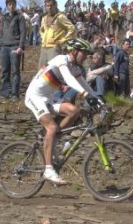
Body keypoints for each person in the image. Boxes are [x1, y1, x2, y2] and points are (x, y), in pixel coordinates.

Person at [25, 38, 98, 184]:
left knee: (74, 111)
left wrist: (100, 102)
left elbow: (85, 84)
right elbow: (70, 81)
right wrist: (85, 95)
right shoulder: (61, 59)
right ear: (74, 51)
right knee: (51, 127)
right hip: (35, 96)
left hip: (48, 97)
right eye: (84, 53)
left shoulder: (75, 68)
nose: (85, 57)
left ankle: (54, 136)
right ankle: (48, 169)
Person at [0, 0, 26, 101]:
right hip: (4, 47)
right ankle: (5, 93)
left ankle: (14, 94)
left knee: (15, 72)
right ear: (7, 6)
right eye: (9, 4)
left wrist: (20, 47)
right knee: (4, 71)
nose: (11, 6)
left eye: (13, 4)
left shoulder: (20, 17)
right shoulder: (4, 18)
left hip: (14, 46)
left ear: (15, 5)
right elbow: (1, 34)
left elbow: (23, 32)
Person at [38, 0, 75, 68]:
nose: (49, 7)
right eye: (47, 6)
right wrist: (43, 37)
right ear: (45, 7)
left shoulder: (60, 17)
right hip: (43, 48)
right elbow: (41, 30)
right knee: (41, 70)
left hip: (54, 48)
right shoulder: (44, 18)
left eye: (51, 6)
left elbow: (72, 28)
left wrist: (63, 40)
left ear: (55, 6)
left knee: (53, 70)